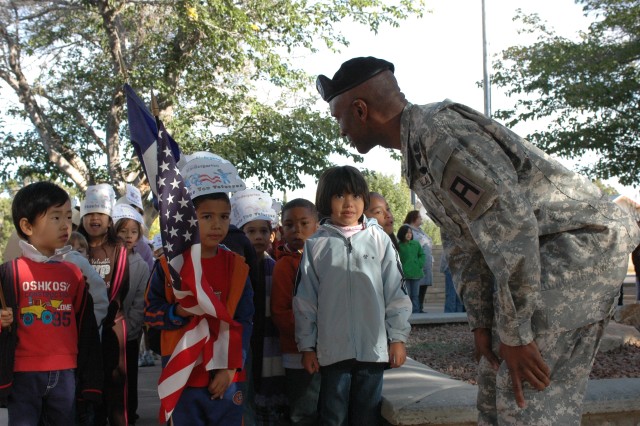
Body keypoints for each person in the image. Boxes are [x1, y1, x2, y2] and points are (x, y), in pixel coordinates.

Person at [316, 56, 640, 425]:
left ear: (360, 109)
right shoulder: (419, 150)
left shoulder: (440, 137)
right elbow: (463, 242)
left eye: (339, 118)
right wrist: (482, 323)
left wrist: (515, 334)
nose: (341, 130)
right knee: (493, 387)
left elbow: (512, 227)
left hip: (576, 248)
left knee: (527, 403)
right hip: (543, 252)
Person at [293, 165, 411, 425]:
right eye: (339, 196)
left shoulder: (379, 240)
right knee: (333, 416)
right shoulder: (316, 245)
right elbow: (305, 301)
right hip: (332, 350)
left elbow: (396, 292)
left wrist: (398, 338)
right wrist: (307, 346)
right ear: (326, 200)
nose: (349, 204)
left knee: (367, 415)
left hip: (373, 348)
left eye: (356, 196)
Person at [144, 155, 254, 425]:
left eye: (224, 217)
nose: (217, 224)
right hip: (183, 373)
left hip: (226, 375)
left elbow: (244, 320)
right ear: (187, 219)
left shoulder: (237, 267)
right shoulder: (168, 267)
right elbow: (150, 314)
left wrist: (231, 367)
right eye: (207, 216)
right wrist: (177, 312)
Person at [0, 181, 102, 425]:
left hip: (67, 374)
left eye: (68, 216)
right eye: (55, 217)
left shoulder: (74, 273)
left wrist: (90, 380)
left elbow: (85, 325)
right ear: (27, 225)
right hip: (23, 375)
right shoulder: (9, 273)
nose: (66, 224)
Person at [230, 188, 288, 425]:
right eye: (251, 231)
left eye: (264, 230)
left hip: (269, 339)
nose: (258, 237)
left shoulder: (274, 267)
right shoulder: (234, 266)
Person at [78, 183, 130, 426]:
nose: (94, 218)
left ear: (109, 221)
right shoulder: (75, 247)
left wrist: (104, 315)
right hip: (81, 327)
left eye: (100, 213)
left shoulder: (118, 248)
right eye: (89, 213)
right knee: (89, 385)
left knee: (115, 384)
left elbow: (120, 285)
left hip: (112, 324)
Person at [271, 198, 321, 425]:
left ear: (317, 226)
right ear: (282, 230)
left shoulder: (324, 259)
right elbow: (281, 313)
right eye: (290, 225)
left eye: (304, 224)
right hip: (298, 351)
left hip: (328, 349)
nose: (297, 230)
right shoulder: (284, 265)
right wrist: (311, 338)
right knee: (303, 411)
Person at [112, 203, 151, 425]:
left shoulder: (141, 265)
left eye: (133, 232)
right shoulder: (105, 258)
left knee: (129, 377)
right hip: (106, 330)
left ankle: (130, 412)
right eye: (123, 230)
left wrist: (130, 330)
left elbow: (139, 303)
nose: (128, 236)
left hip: (129, 333)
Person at [403, 211, 433, 313]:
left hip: (424, 264)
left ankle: (420, 307)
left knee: (423, 286)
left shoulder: (420, 230)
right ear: (413, 218)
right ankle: (413, 309)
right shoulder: (407, 229)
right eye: (419, 217)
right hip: (414, 265)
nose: (421, 219)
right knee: (415, 288)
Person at [396, 225, 425, 314]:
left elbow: (422, 255)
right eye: (407, 233)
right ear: (402, 234)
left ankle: (416, 312)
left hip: (416, 273)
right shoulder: (398, 246)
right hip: (405, 275)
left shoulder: (416, 244)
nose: (409, 234)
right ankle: (407, 312)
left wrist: (419, 264)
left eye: (410, 233)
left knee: (415, 295)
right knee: (406, 295)